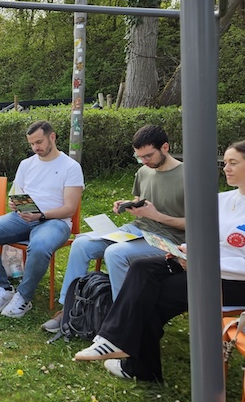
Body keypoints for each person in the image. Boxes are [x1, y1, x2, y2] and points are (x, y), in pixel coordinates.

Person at [74, 139, 245, 382]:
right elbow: (205, 239)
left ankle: (136, 362)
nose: (226, 168)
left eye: (234, 163)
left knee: (151, 294)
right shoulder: (222, 199)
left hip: (240, 283)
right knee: (142, 268)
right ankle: (116, 344)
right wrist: (182, 250)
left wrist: (201, 263)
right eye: (225, 162)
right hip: (203, 267)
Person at [42, 125, 186, 332]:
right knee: (81, 244)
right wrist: (129, 204)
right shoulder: (144, 172)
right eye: (139, 157)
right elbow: (142, 201)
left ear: (165, 147)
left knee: (116, 253)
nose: (144, 161)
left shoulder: (188, 176)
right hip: (138, 229)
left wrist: (157, 216)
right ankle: (69, 307)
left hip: (168, 239)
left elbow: (196, 224)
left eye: (148, 156)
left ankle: (121, 321)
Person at [0, 120, 84, 318]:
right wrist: (14, 204)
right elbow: (16, 192)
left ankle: (23, 297)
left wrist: (40, 215)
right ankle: (3, 289)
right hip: (23, 216)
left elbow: (70, 208)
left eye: (39, 142)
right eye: (32, 144)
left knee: (39, 247)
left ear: (52, 137)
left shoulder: (71, 167)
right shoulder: (26, 164)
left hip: (55, 222)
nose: (36, 148)